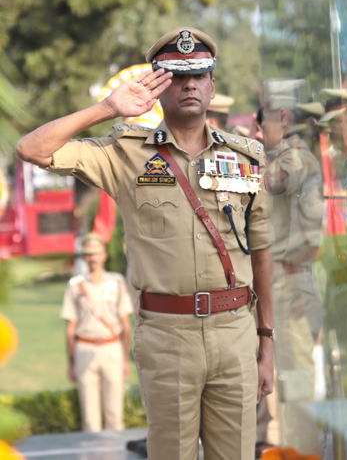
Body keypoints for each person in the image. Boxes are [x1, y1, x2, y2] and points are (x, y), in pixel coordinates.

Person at [16, 27, 274, 460]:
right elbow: (32, 149)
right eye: (176, 77)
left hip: (235, 332)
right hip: (168, 336)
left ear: (212, 86)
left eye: (199, 75)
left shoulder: (246, 158)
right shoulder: (125, 153)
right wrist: (107, 108)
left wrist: (267, 343)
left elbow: (262, 255)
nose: (189, 85)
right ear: (157, 88)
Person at [254, 96, 324, 455]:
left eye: (263, 125)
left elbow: (276, 183)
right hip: (276, 278)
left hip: (291, 278)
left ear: (283, 119)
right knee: (282, 378)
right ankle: (291, 449)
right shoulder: (279, 155)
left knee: (296, 379)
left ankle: (303, 451)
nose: (259, 132)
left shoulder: (297, 157)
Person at [61, 233, 132, 433]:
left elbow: (126, 325)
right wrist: (71, 362)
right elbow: (70, 327)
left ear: (104, 255)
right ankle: (92, 449)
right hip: (84, 346)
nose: (92, 258)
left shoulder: (117, 282)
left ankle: (115, 448)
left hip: (111, 346)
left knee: (114, 411)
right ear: (84, 256)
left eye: (96, 253)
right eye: (88, 254)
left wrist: (125, 359)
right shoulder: (75, 285)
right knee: (89, 413)